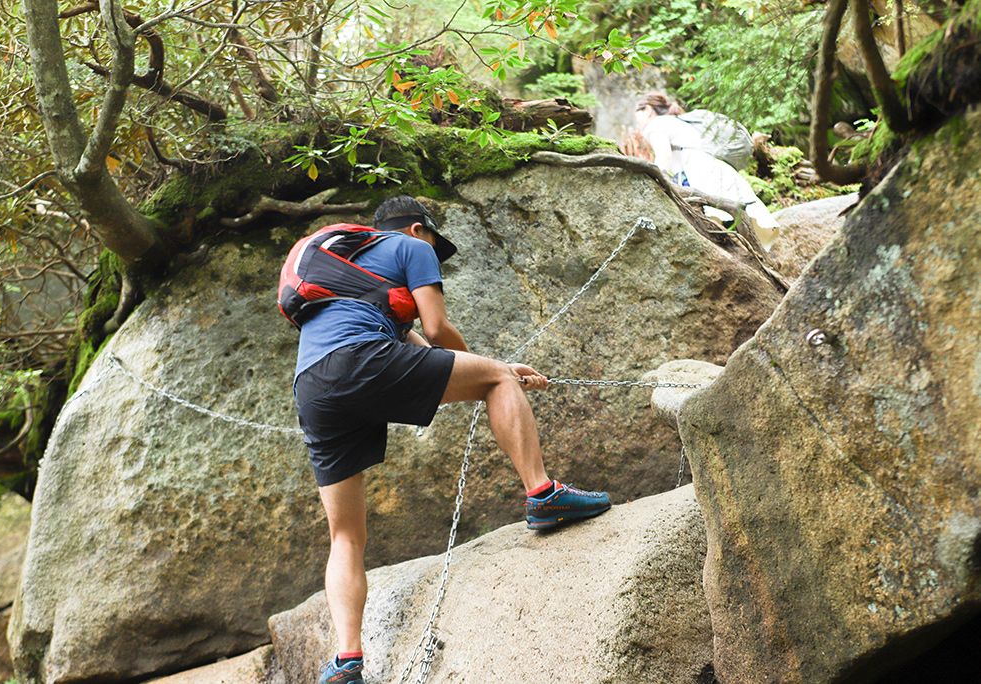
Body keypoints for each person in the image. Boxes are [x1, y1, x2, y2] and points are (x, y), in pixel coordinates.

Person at [291, 195, 612, 684]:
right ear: (419, 229)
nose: (434, 259)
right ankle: (542, 493)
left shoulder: (348, 271)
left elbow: (419, 350)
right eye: (436, 250)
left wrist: (489, 368)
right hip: (364, 359)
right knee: (496, 383)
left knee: (346, 535)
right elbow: (438, 330)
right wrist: (500, 372)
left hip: (313, 386)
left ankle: (346, 662)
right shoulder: (409, 245)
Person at [630, 91, 780, 249]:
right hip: (714, 167)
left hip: (698, 171)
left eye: (637, 114)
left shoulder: (655, 124)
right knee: (726, 220)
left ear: (647, 110)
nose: (637, 122)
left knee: (711, 223)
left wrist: (654, 180)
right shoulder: (676, 121)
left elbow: (664, 156)